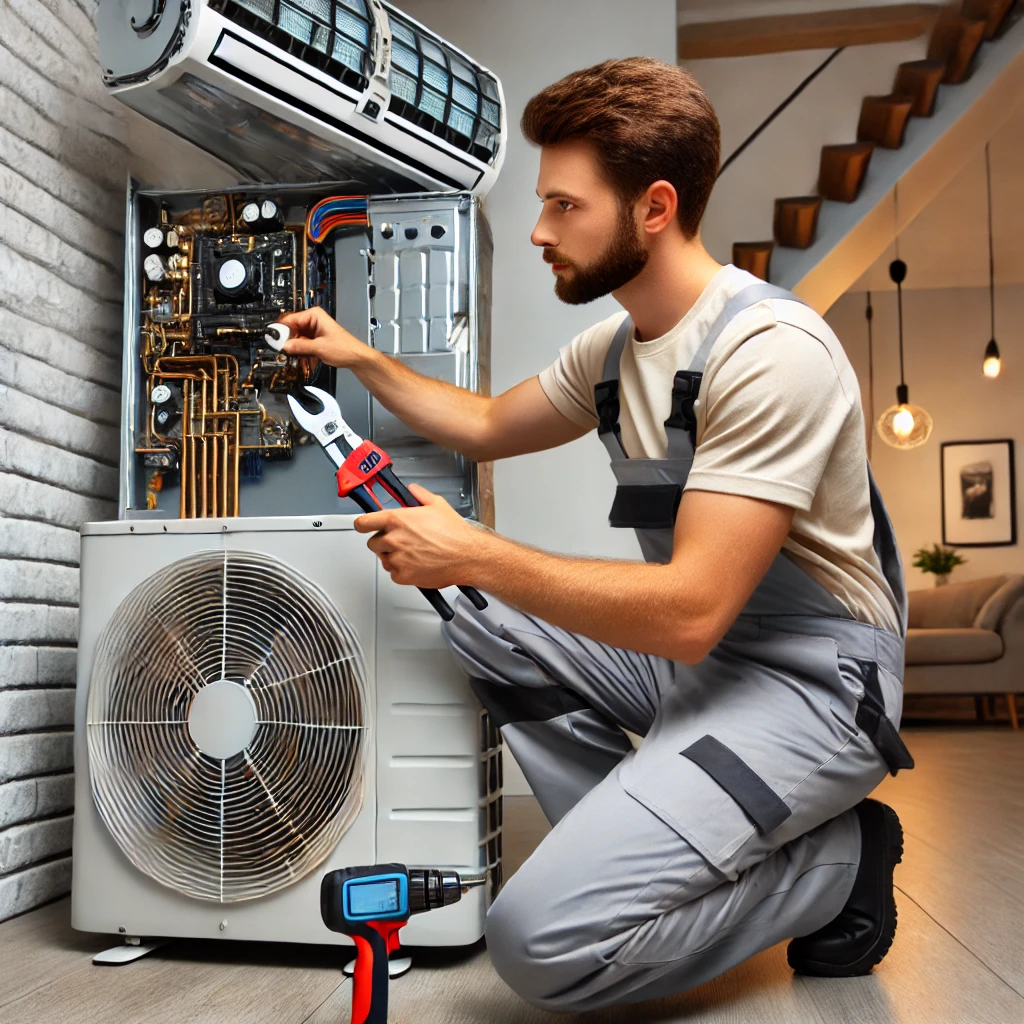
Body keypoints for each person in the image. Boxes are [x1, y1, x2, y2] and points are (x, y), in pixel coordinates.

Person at [278, 56, 914, 1013]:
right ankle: (650, 832)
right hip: (708, 667)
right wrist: (358, 355)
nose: (538, 230)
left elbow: (695, 611)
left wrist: (475, 548)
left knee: (539, 945)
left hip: (810, 684)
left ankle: (837, 858)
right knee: (477, 611)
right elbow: (490, 422)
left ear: (653, 208)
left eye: (564, 207)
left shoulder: (770, 354)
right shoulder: (616, 350)